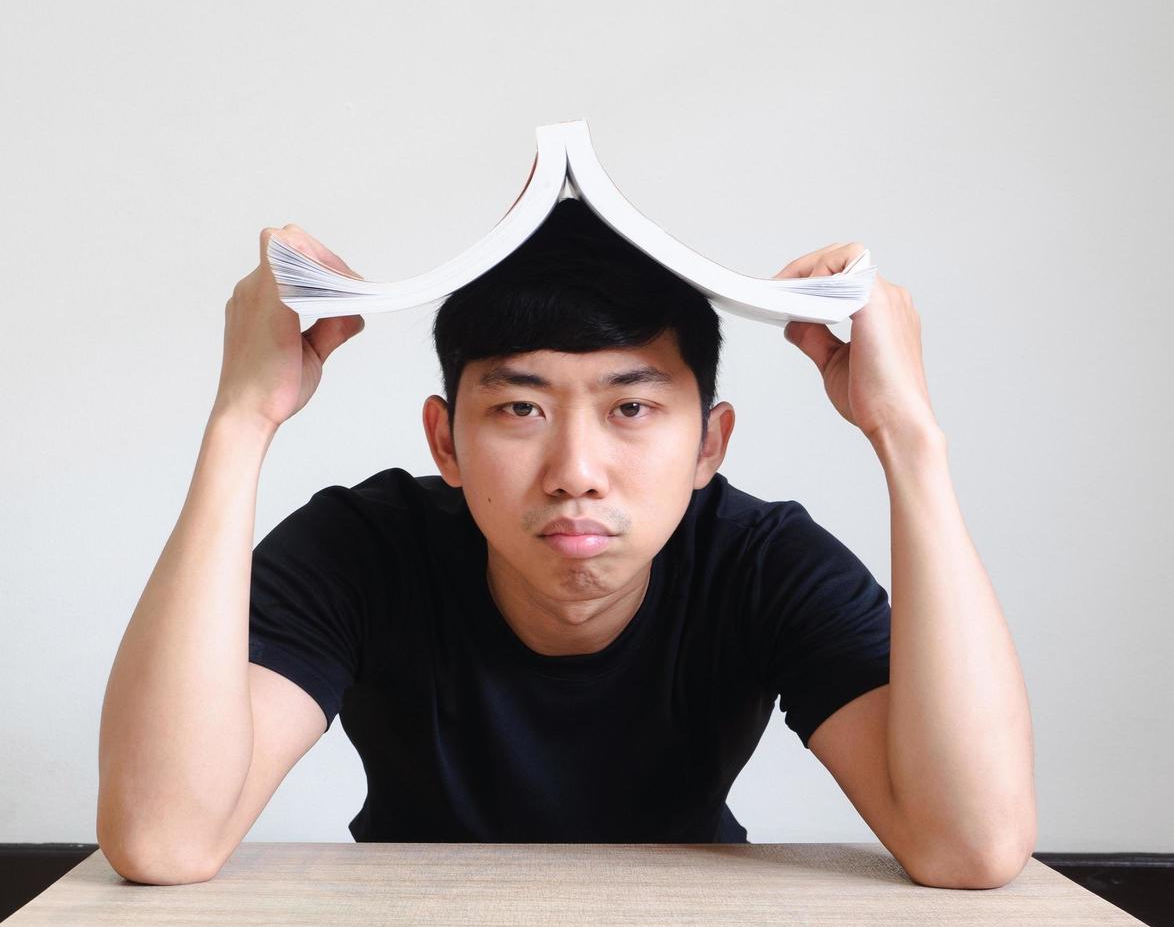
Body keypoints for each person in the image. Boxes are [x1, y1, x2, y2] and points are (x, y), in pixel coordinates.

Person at [97, 198, 1036, 890]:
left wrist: (908, 439)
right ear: (443, 442)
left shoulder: (761, 560)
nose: (575, 468)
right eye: (519, 408)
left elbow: (972, 845)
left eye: (631, 407)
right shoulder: (364, 548)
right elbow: (163, 839)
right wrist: (239, 423)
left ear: (710, 444)